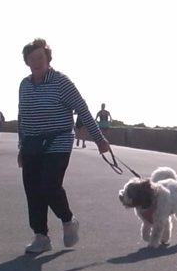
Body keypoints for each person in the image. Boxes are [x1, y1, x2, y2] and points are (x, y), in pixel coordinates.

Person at [17, 38, 111, 254]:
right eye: (31, 59)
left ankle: (68, 221)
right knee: (32, 190)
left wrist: (99, 139)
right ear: (27, 62)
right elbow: (23, 118)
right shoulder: (24, 85)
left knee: (48, 184)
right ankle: (41, 237)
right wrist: (21, 147)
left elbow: (83, 110)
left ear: (48, 59)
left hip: (58, 141)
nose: (36, 62)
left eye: (40, 57)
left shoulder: (61, 82)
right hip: (32, 144)